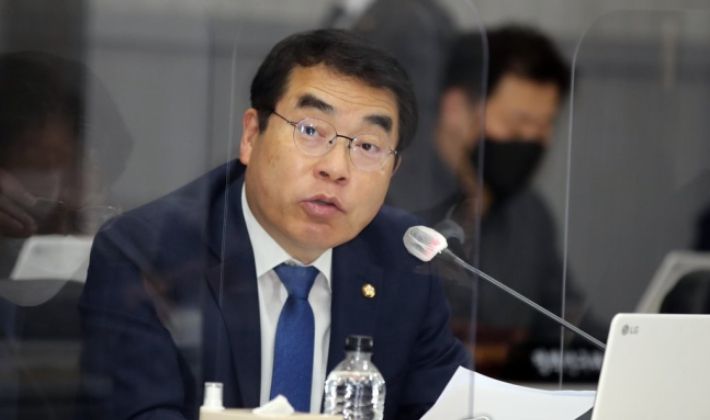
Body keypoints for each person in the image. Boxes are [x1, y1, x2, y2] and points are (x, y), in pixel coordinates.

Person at [78, 29, 470, 420]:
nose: (336, 168)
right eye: (311, 131)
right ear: (251, 135)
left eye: (368, 146)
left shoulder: (403, 262)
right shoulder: (147, 254)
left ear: (393, 171)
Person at [427, 25, 592, 377]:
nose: (531, 140)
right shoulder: (388, 203)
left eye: (544, 125)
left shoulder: (531, 216)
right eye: (519, 124)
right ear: (456, 109)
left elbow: (568, 325)